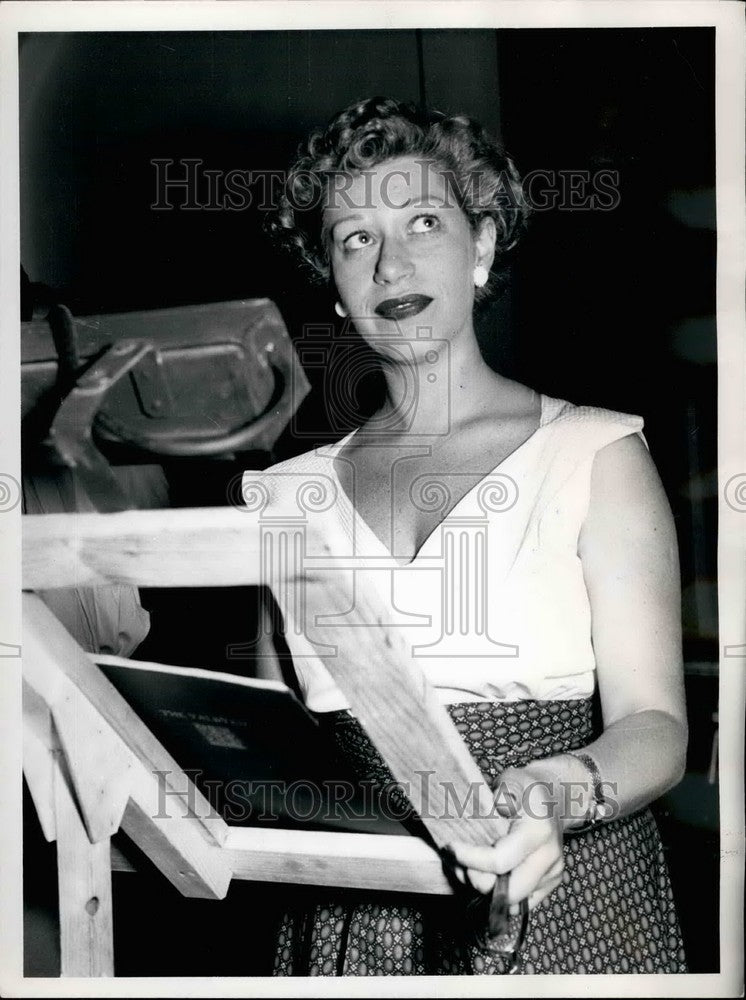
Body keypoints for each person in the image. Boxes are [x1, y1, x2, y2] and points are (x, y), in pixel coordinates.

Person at [246, 96, 688, 975]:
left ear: (481, 244)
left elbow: (658, 725)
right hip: (354, 913)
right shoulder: (284, 499)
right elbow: (269, 743)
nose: (391, 262)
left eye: (423, 221)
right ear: (333, 283)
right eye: (355, 239)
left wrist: (558, 790)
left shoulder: (595, 453)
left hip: (568, 894)